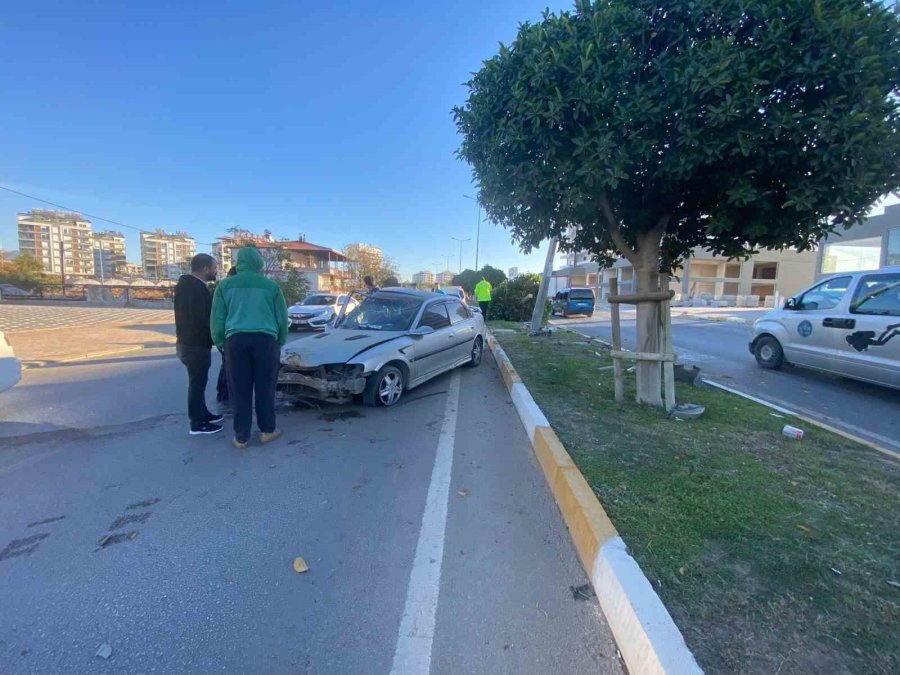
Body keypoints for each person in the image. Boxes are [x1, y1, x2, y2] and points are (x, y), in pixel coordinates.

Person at [211, 247, 288, 449]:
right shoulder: (271, 286)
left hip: (235, 341)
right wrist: (279, 341)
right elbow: (282, 318)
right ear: (258, 263)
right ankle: (267, 430)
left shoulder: (224, 286)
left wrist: (221, 343)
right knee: (266, 387)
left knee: (239, 389)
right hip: (266, 340)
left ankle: (241, 437)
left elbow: (217, 319)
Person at [174, 253, 223, 436]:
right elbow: (199, 319)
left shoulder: (189, 286)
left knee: (199, 383)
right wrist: (213, 337)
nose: (216, 271)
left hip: (191, 343)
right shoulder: (194, 289)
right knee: (197, 384)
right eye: (214, 267)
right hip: (195, 344)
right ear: (205, 269)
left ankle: (203, 414)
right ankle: (197, 424)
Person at [215, 266, 238, 406]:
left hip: (227, 335)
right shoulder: (227, 290)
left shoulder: (224, 289)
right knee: (228, 366)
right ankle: (225, 393)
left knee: (227, 364)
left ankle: (224, 392)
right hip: (229, 335)